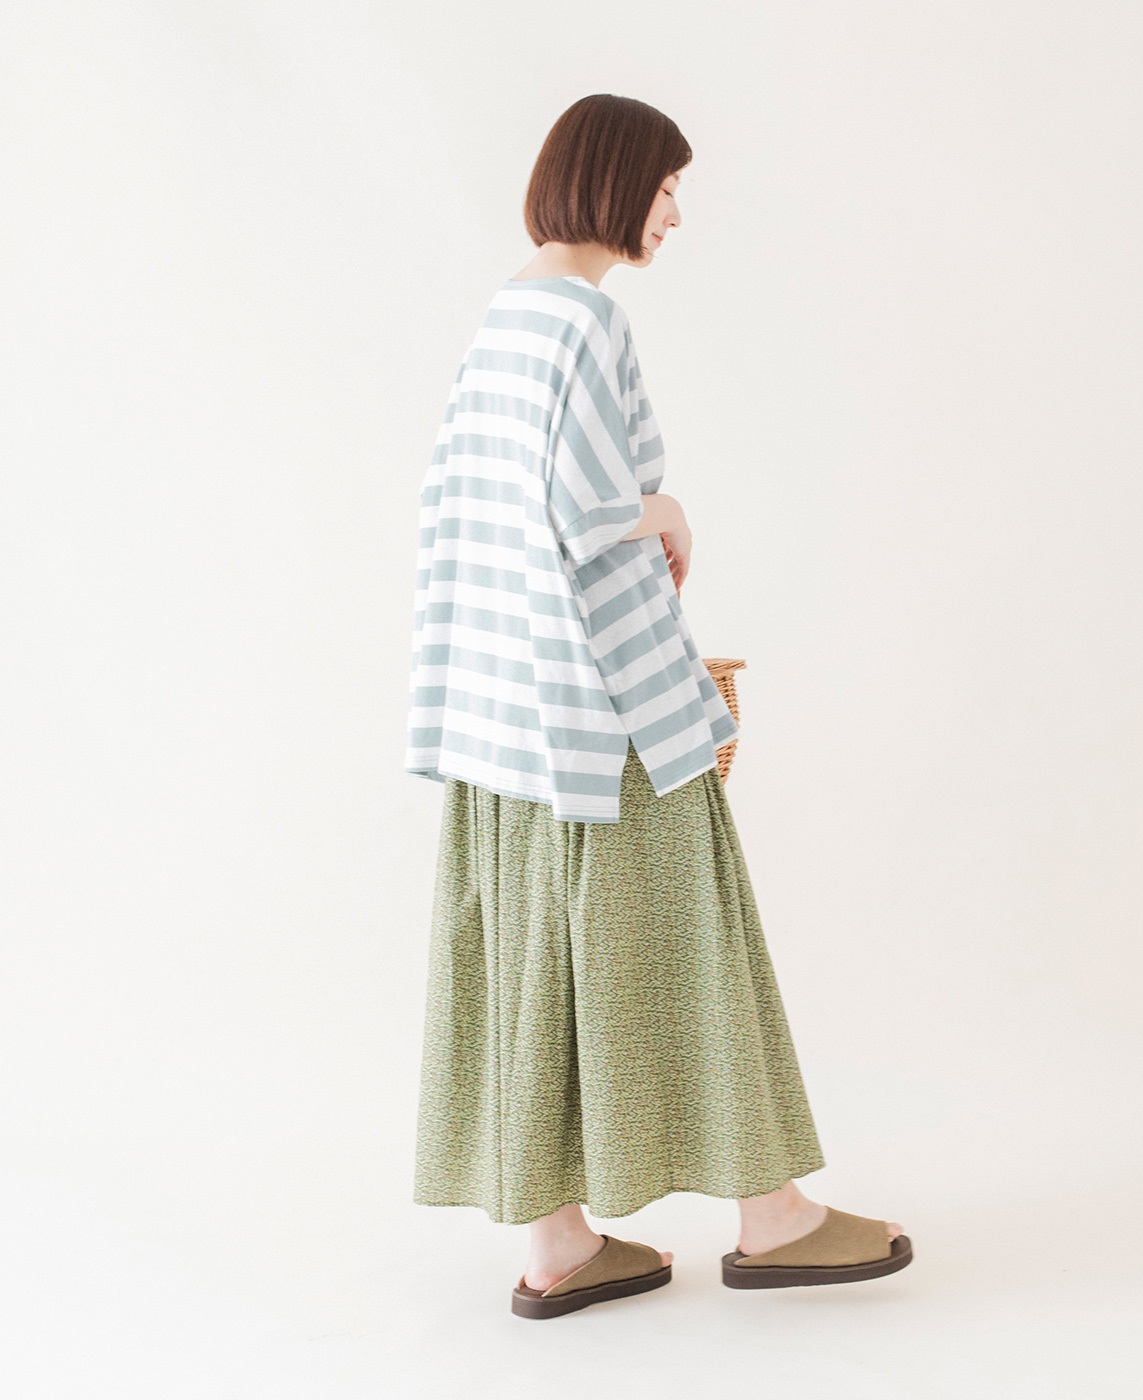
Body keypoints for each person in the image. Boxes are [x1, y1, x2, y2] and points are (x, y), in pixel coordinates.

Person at [403, 93, 912, 1320]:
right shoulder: (586, 320)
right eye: (667, 186)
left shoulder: (506, 317)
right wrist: (669, 510)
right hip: (605, 704)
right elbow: (588, 515)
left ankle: (558, 1242)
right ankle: (776, 1218)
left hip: (507, 712)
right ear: (614, 179)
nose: (674, 212)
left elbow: (468, 509)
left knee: (535, 957)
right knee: (698, 937)